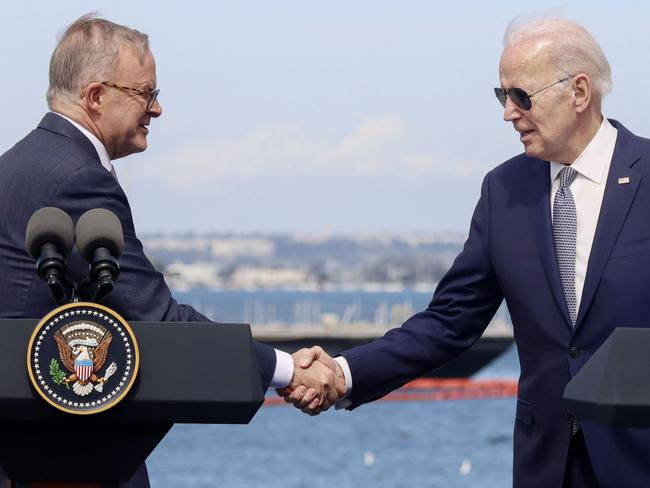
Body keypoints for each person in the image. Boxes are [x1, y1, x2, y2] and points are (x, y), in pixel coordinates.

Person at [280, 14, 650, 488]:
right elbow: (449, 322)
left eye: (521, 96)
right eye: (502, 96)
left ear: (579, 92)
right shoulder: (504, 191)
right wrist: (345, 373)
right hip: (547, 468)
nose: (508, 113)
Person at [0, 14, 343, 487]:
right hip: (58, 462)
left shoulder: (18, 164)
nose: (157, 110)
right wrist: (286, 369)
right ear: (96, 97)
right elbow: (154, 318)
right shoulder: (75, 179)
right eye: (147, 94)